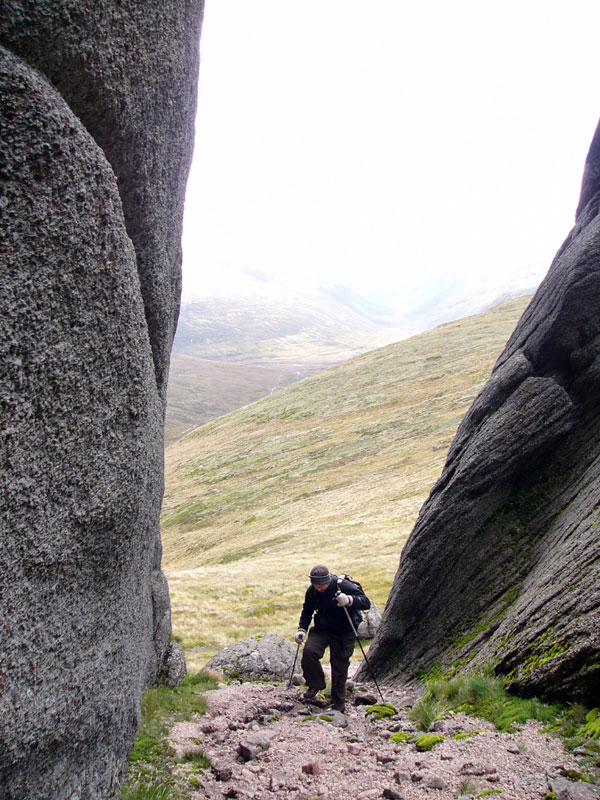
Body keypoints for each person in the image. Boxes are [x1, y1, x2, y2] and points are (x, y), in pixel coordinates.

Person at [295, 564, 371, 713]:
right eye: (316, 585)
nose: (319, 588)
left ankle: (338, 704)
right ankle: (316, 684)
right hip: (322, 629)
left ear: (328, 580)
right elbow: (307, 611)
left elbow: (365, 602)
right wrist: (301, 630)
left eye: (321, 585)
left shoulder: (342, 586)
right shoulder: (312, 591)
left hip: (344, 632)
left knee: (339, 666)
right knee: (309, 652)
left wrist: (349, 600)